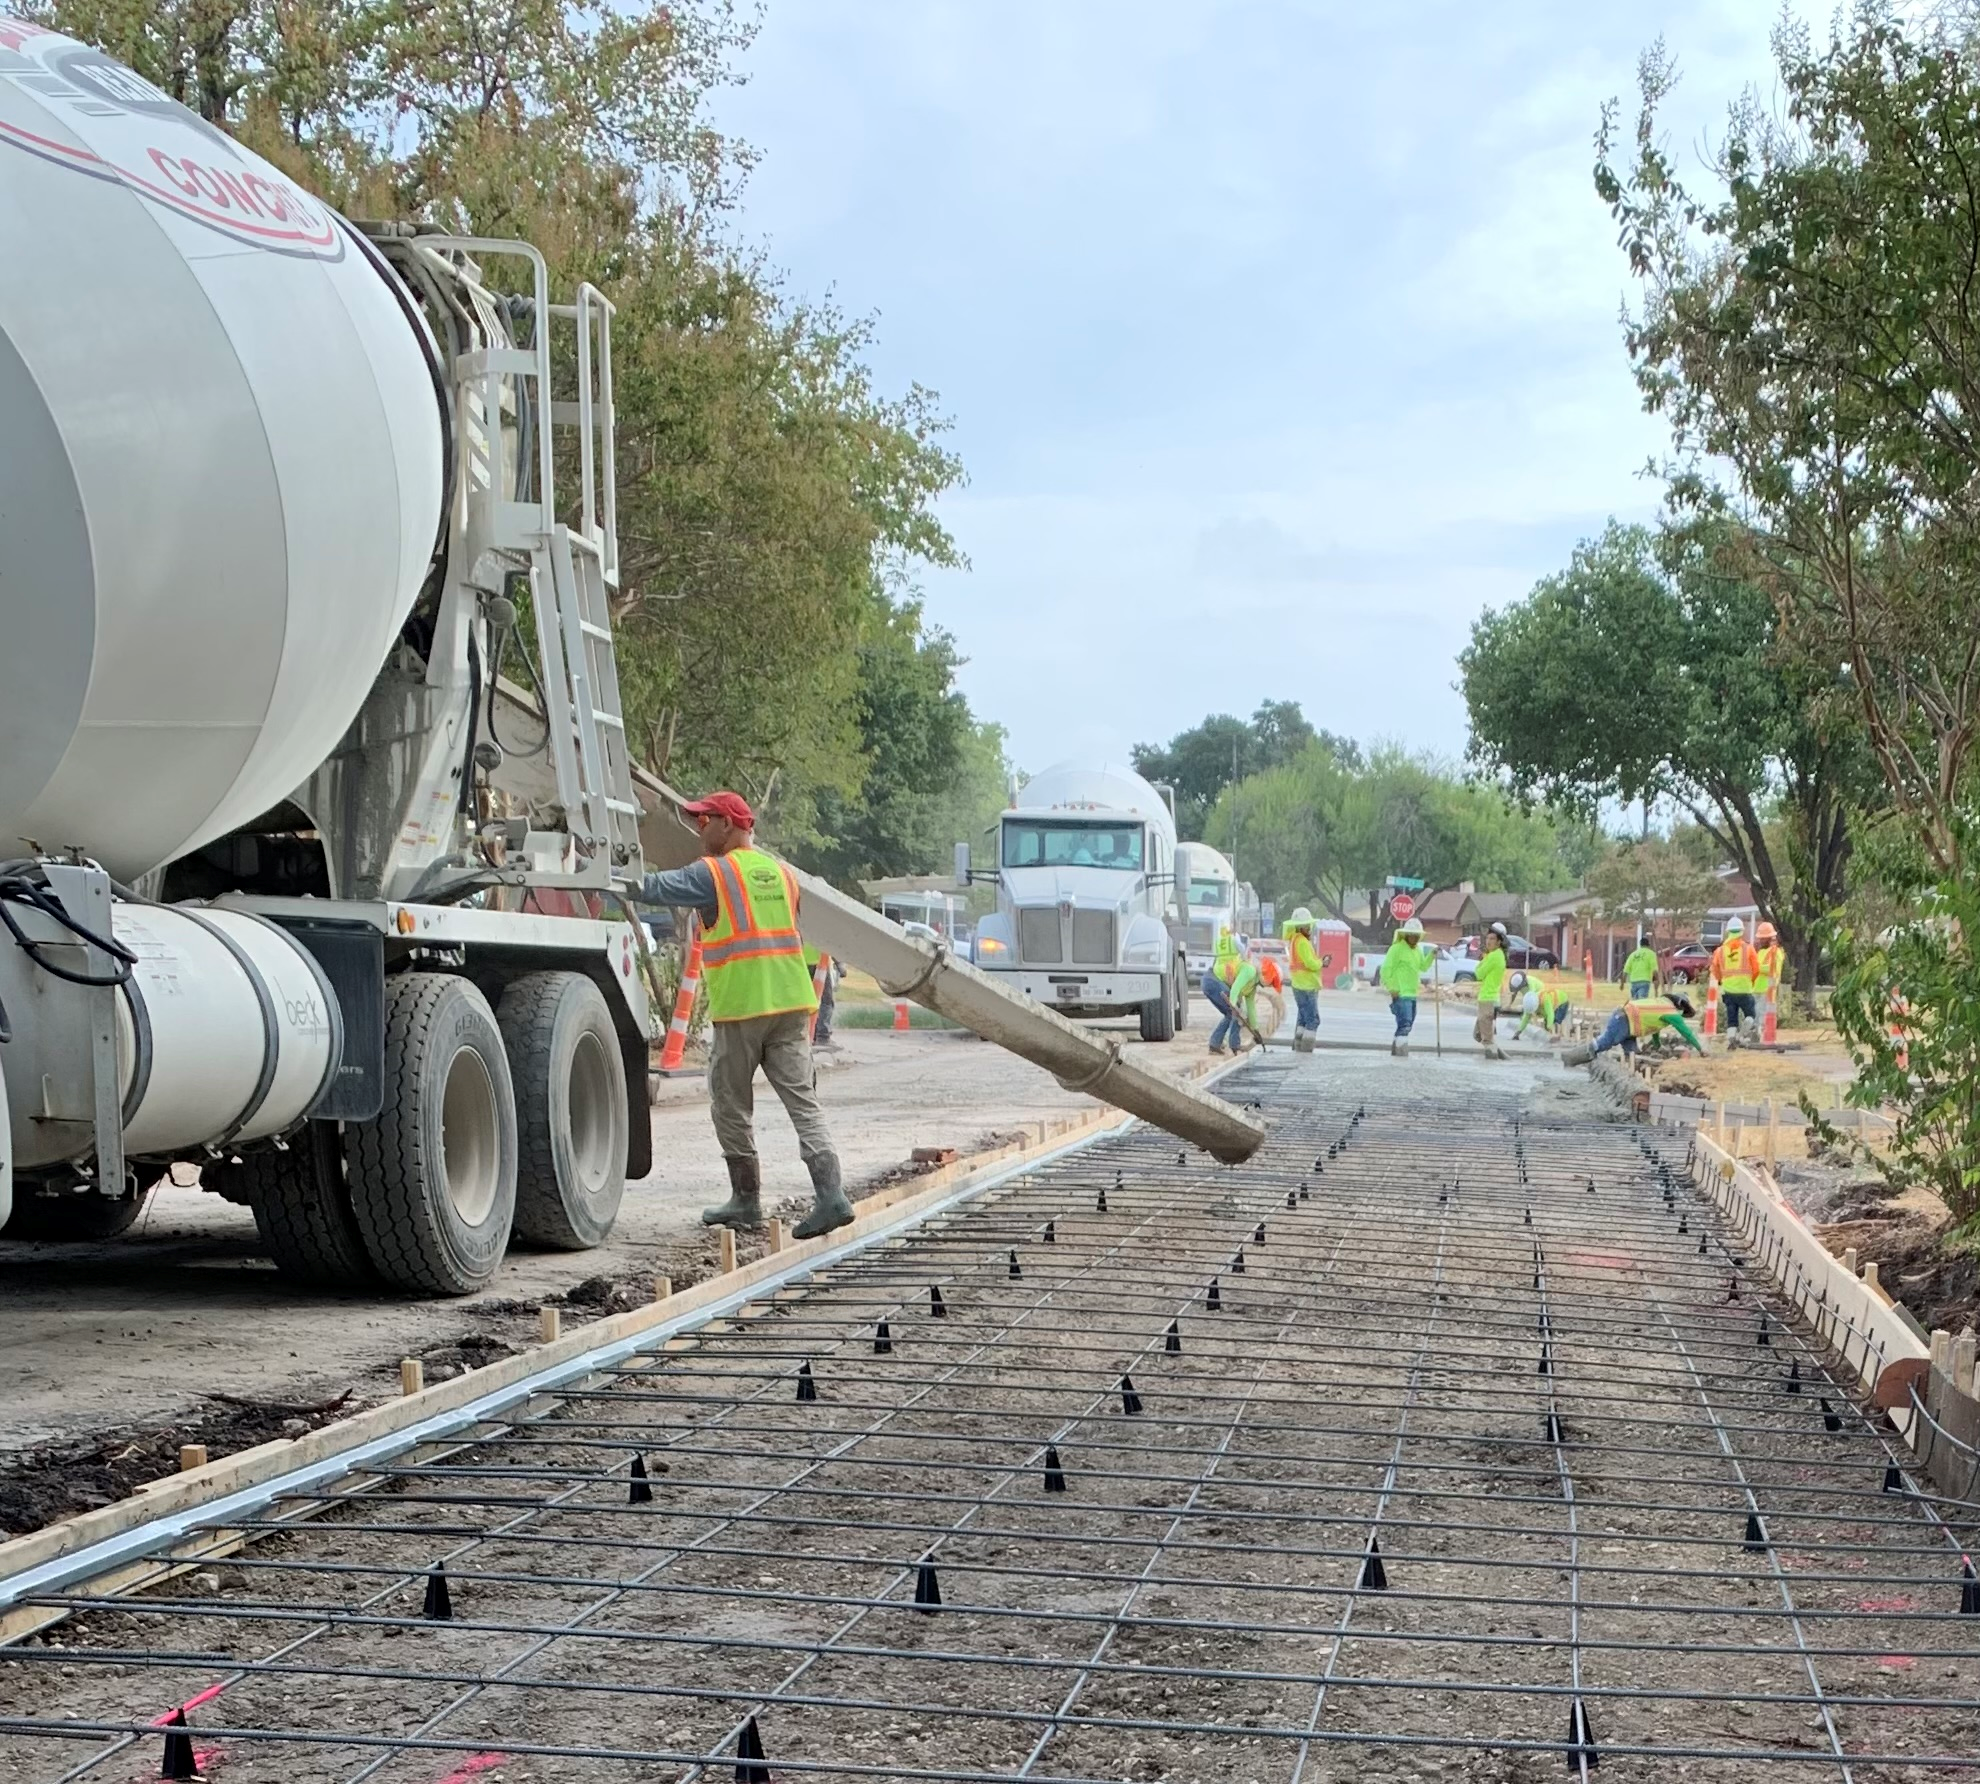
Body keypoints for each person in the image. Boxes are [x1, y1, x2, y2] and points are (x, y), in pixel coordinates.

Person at [639, 791, 853, 1239]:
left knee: (730, 1103)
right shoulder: (783, 874)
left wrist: (606, 873)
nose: (699, 830)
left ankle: (746, 1201)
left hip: (744, 1008)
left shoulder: (715, 872)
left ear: (730, 825)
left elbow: (653, 889)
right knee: (803, 1101)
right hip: (791, 1005)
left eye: (706, 821)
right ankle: (831, 1196)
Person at [1563, 994, 1703, 1065]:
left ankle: (1571, 1060)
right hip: (1624, 1020)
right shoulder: (1671, 1012)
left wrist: (1657, 1045)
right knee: (1603, 1043)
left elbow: (1655, 1028)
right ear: (1680, 1006)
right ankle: (1570, 1058)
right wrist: (1700, 1049)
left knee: (1632, 1055)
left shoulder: (1661, 1004)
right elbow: (1686, 1032)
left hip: (1628, 1024)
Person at [1378, 916, 1436, 1057]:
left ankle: (1396, 1048)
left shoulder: (1418, 950)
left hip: (1412, 993)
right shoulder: (1396, 949)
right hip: (1400, 993)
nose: (1414, 938)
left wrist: (1432, 956)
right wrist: (1392, 988)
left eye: (1417, 936)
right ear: (1406, 935)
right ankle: (1401, 1052)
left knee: (1406, 1024)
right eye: (1412, 935)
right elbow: (1385, 970)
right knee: (1405, 1024)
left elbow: (1423, 967)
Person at [1202, 927, 1260, 1055]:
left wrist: (1256, 1030)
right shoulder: (1245, 967)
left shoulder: (1221, 947)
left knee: (1232, 1013)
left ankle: (1217, 1044)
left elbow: (1250, 1008)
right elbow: (1235, 989)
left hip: (1210, 978)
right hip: (1214, 979)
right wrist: (1234, 1005)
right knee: (1235, 1013)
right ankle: (1231, 1044)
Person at [1711, 917, 1762, 1039]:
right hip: (1745, 989)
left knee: (1732, 1017)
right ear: (1742, 931)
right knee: (1750, 1015)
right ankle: (1742, 1034)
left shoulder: (1720, 951)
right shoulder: (1748, 948)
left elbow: (1715, 970)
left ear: (1728, 931)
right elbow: (1756, 969)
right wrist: (1752, 982)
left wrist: (1722, 981)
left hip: (1728, 990)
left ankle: (1731, 1038)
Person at [1283, 908, 1324, 1046]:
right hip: (1308, 985)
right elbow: (1310, 963)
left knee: (1302, 1019)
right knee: (1313, 1020)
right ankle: (1306, 1047)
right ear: (1302, 927)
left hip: (1298, 985)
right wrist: (1321, 963)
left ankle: (1298, 1045)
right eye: (1308, 926)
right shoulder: (1303, 942)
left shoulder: (1294, 940)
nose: (1310, 928)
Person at [1473, 923, 1510, 1059]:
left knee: (1486, 1039)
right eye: (1487, 938)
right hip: (1489, 998)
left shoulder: (1494, 956)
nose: (1488, 941)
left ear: (1499, 942)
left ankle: (1494, 1061)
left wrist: (1483, 960)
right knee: (1479, 1034)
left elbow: (1479, 974)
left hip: (1488, 999)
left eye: (1492, 939)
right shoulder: (1496, 955)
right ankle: (1504, 1057)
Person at [1512, 971, 1570, 1043]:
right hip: (1549, 1007)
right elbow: (1525, 1019)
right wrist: (1518, 1032)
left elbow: (1550, 1014)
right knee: (1547, 1024)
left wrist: (1549, 1027)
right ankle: (1551, 1038)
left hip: (1562, 1002)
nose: (1534, 1012)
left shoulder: (1545, 999)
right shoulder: (1530, 1003)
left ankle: (1559, 1040)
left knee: (1555, 1021)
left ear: (1537, 1004)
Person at [1753, 922, 1786, 1032]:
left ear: (1769, 938)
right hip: (1756, 988)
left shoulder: (1776, 952)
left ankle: (1759, 1035)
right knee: (1755, 1014)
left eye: (1762, 938)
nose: (1760, 941)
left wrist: (1757, 968)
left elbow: (1773, 971)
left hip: (1767, 989)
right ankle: (1755, 1034)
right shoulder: (1761, 952)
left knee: (1761, 1014)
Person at [1621, 937, 1660, 1001]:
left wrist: (1622, 984)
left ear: (1640, 945)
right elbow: (1654, 970)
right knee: (1642, 1002)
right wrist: (1656, 982)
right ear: (1648, 945)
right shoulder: (1651, 954)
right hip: (1644, 981)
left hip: (1633, 982)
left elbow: (1625, 970)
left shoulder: (1633, 954)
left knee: (1635, 1002)